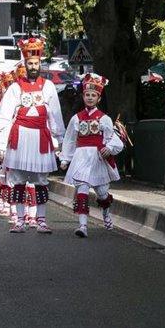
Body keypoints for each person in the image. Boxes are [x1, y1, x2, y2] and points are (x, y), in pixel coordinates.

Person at [0, 36, 64, 234]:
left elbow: (55, 115)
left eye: (35, 63)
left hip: (40, 137)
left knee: (40, 181)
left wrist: (61, 139)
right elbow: (4, 116)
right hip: (20, 138)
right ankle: (20, 220)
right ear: (25, 63)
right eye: (29, 63)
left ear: (40, 63)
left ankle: (41, 220)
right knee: (19, 181)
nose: (32, 66)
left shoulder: (48, 87)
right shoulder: (15, 87)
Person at [59, 73, 124, 238]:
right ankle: (83, 225)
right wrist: (65, 159)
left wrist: (109, 148)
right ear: (83, 96)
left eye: (93, 95)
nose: (89, 98)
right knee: (82, 188)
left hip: (97, 158)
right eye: (87, 95)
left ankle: (106, 214)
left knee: (102, 193)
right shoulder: (76, 118)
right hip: (81, 157)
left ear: (99, 98)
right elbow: (70, 140)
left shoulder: (105, 119)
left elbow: (113, 139)